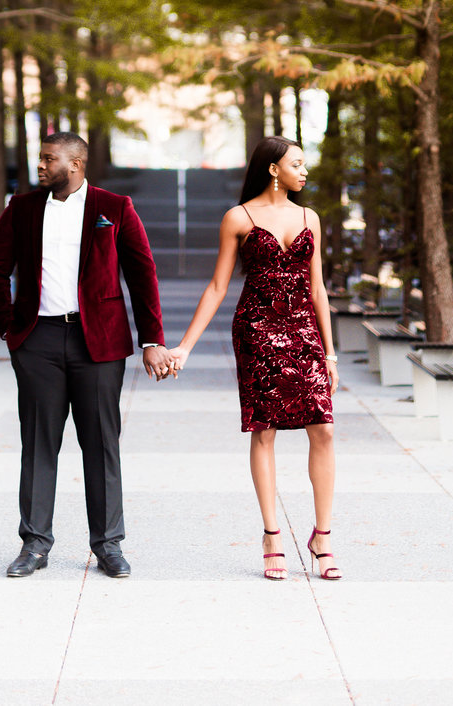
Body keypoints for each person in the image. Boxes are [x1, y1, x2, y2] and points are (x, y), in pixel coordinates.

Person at [0, 131, 172, 580]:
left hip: (99, 345)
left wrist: (153, 339)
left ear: (77, 164)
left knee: (102, 444)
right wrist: (11, 330)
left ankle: (108, 545)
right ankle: (34, 544)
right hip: (38, 341)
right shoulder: (22, 208)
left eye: (49, 159)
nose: (41, 166)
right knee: (39, 444)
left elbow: (142, 272)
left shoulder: (115, 208)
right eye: (41, 159)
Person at [167, 135, 341, 581]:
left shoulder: (310, 218)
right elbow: (217, 287)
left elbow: (318, 288)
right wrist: (184, 346)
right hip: (257, 333)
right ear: (273, 168)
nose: (305, 172)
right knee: (264, 432)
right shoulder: (238, 218)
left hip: (304, 333)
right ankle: (272, 534)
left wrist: (331, 352)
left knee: (322, 429)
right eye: (297, 164)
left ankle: (322, 535)